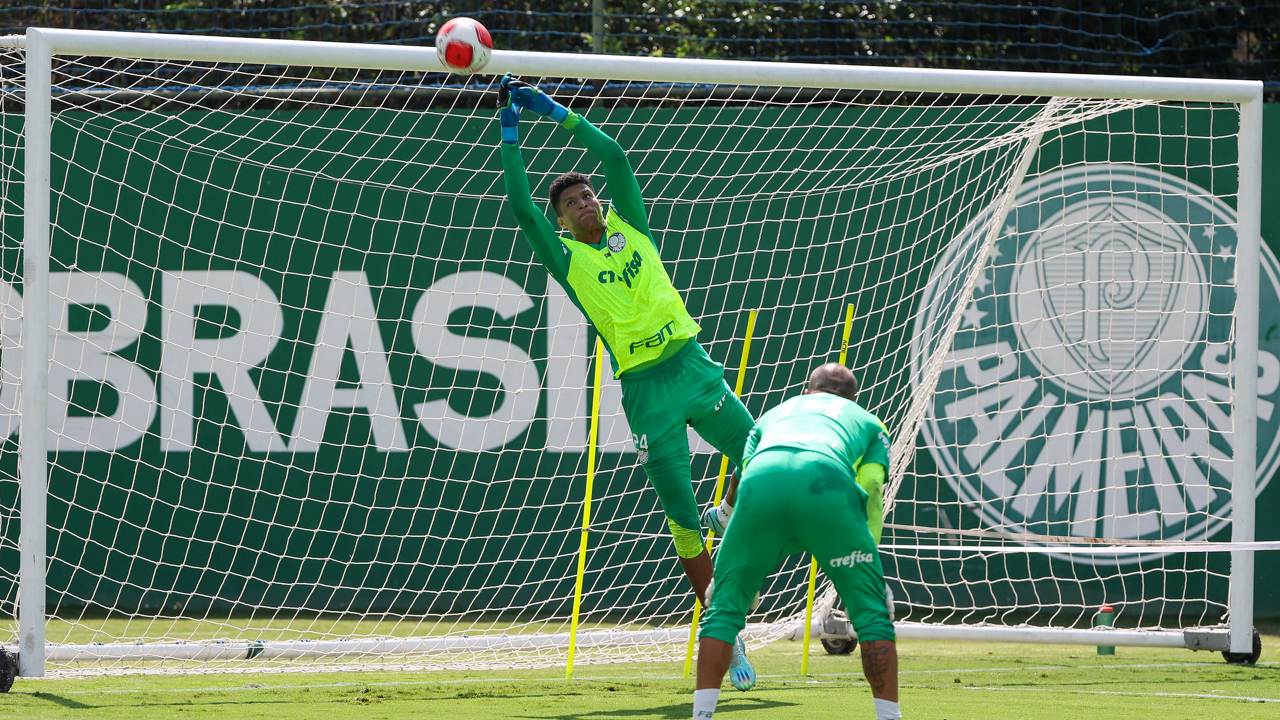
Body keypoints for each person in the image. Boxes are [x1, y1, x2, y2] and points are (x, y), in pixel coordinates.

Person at [497, 75, 758, 689]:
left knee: (764, 450)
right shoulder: (567, 257)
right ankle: (727, 632)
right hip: (646, 393)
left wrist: (553, 110)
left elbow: (613, 155)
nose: (584, 202)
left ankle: (728, 510)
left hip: (694, 367)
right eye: (571, 203)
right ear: (562, 221)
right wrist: (510, 130)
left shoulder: (631, 225)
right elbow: (520, 207)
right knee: (683, 524)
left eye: (587, 194)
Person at [693, 363, 900, 719]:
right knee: (873, 616)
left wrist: (734, 566)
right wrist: (868, 562)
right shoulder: (869, 422)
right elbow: (870, 488)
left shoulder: (774, 414)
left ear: (807, 391)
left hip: (762, 486)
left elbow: (746, 476)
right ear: (853, 399)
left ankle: (702, 716)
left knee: (722, 611)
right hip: (826, 487)